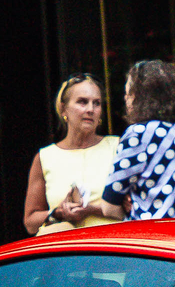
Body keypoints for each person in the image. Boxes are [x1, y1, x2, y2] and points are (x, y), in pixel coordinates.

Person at [93, 59, 175, 222]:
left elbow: (108, 207)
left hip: (153, 238)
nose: (126, 100)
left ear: (140, 97)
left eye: (128, 93)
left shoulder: (138, 134)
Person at [22, 73, 119, 235]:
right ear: (63, 108)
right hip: (64, 255)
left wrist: (91, 210)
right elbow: (30, 223)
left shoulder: (118, 147)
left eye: (96, 104)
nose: (90, 109)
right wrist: (58, 213)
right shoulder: (45, 157)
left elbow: (136, 206)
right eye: (82, 102)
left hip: (112, 249)